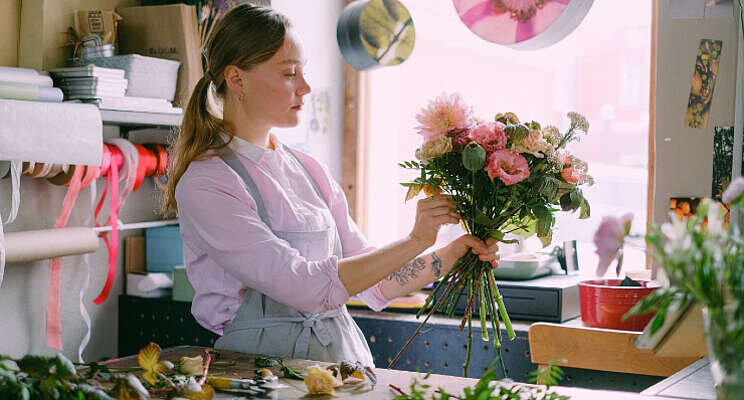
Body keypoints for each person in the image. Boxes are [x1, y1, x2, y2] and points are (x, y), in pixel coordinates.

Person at [162, 4, 500, 367]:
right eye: (290, 73)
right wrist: (414, 239)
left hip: (338, 363)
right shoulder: (207, 182)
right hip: (256, 371)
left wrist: (450, 252)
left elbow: (376, 285)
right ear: (237, 79)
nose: (305, 88)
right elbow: (305, 287)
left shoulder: (309, 170)